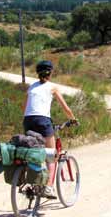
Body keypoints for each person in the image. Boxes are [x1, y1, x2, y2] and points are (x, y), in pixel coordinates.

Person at [23, 60, 77, 198]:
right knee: (51, 155)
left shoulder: (31, 87)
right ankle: (49, 188)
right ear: (50, 72)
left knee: (34, 152)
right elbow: (66, 108)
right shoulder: (52, 87)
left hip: (28, 120)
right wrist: (73, 119)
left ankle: (32, 181)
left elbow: (25, 107)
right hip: (43, 121)